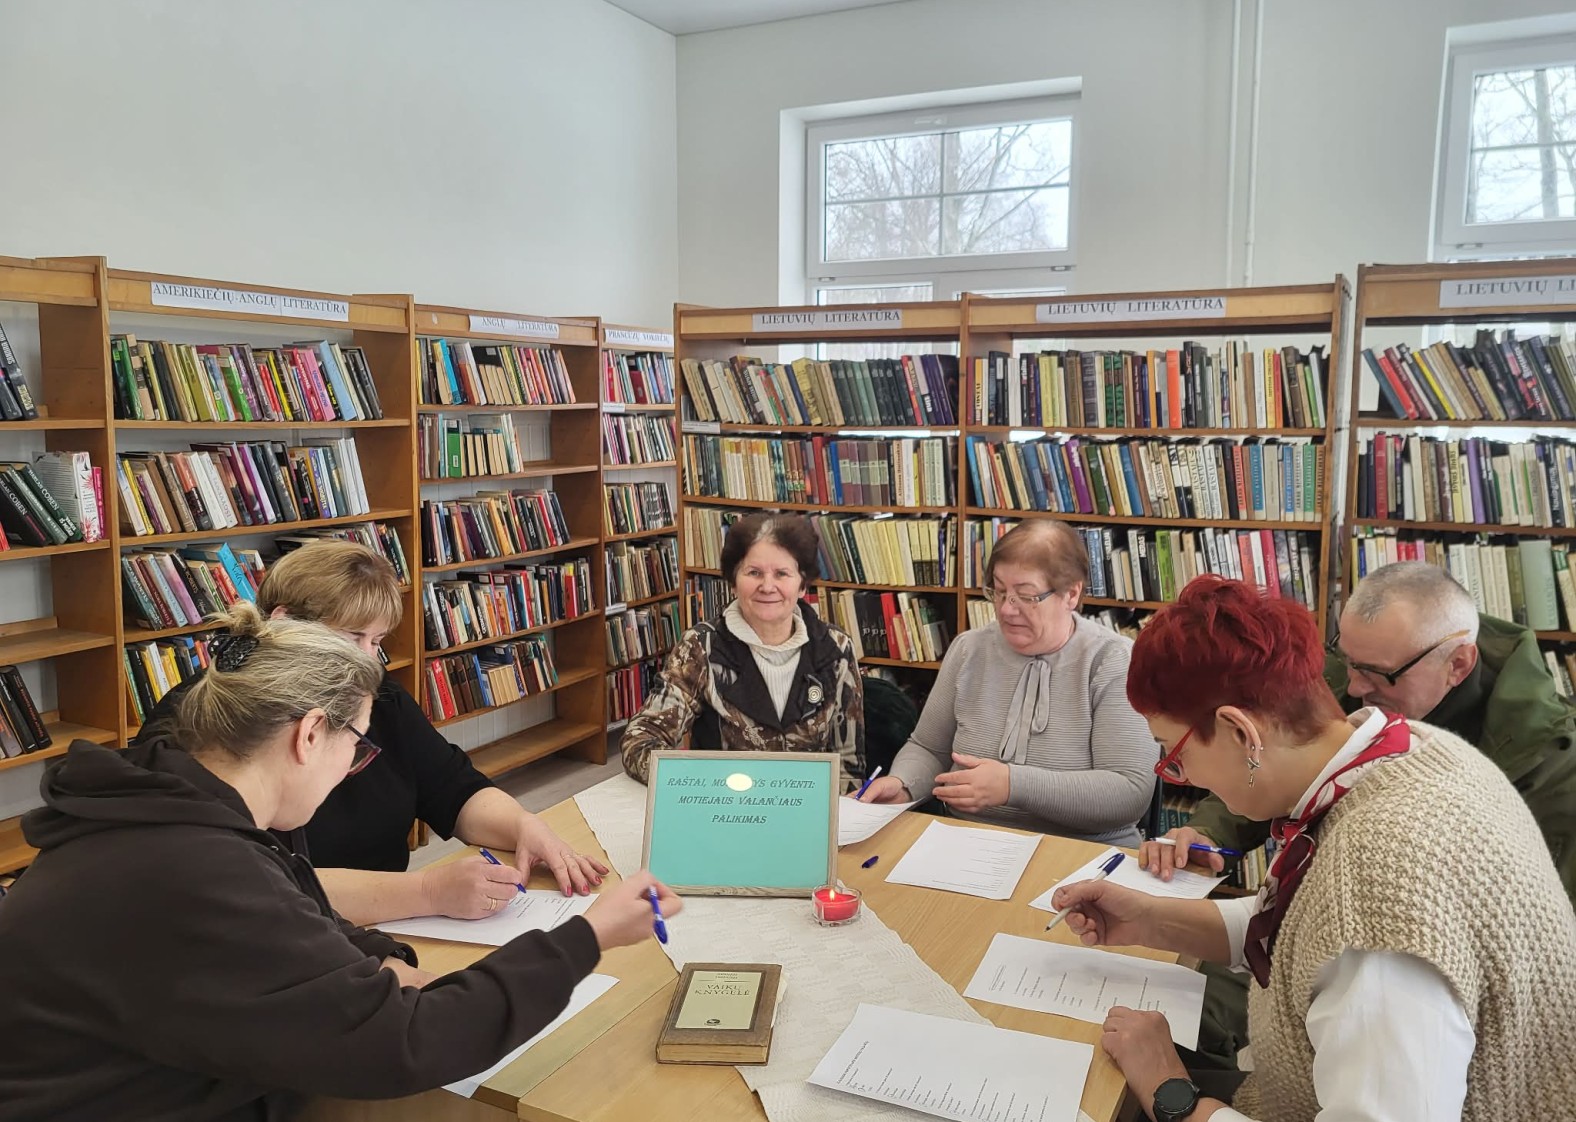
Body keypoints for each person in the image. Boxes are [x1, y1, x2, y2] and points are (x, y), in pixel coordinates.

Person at [0, 603, 680, 1121]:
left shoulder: (175, 803)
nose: (354, 767)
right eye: (356, 747)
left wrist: (378, 955)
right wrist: (584, 938)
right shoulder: (192, 867)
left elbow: (288, 900)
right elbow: (405, 1046)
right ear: (309, 734)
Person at [1051, 575, 1576, 1122]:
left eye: (1172, 754)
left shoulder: (1377, 896)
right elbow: (1302, 921)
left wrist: (1170, 1091)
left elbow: (1349, 930)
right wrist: (1149, 920)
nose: (1178, 773)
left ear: (1241, 732)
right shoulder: (1410, 748)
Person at [134, 540, 608, 927]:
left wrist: (524, 826)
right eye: (351, 638)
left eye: (376, 642)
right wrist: (425, 891)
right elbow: (252, 888)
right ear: (283, 624)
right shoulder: (198, 719)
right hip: (286, 940)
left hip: (387, 929)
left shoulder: (377, 697)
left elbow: (451, 787)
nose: (365, 660)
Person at [1147, 560, 1576, 897]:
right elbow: (1275, 759)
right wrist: (1207, 835)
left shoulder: (1548, 758)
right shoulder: (1361, 667)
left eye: (1376, 673)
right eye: (1347, 659)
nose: (1353, 686)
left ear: (1458, 665)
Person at [860, 519, 1155, 845]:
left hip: (1084, 854)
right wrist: (903, 784)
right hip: (969, 844)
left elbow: (1129, 793)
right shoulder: (969, 649)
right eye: (998, 591)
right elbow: (929, 748)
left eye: (1025, 596)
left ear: (1071, 593)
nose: (1006, 609)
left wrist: (1013, 785)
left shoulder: (1115, 661)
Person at [622, 512, 865, 790]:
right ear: (733, 581)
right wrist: (691, 784)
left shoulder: (836, 648)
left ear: (803, 584)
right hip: (724, 811)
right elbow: (640, 739)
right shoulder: (702, 646)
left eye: (782, 574)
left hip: (808, 816)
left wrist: (840, 821)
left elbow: (849, 765)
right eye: (754, 572)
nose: (767, 586)